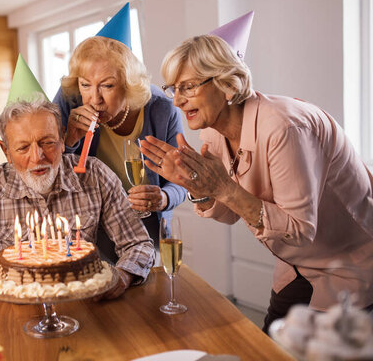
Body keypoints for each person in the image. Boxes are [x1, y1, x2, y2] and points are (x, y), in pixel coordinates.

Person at [140, 33, 373, 334]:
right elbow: (229, 212)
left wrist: (223, 187)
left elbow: (301, 230)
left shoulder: (283, 128)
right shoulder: (213, 132)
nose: (177, 99)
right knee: (267, 350)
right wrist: (198, 187)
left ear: (225, 83)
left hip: (351, 263)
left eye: (188, 86)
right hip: (296, 264)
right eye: (173, 88)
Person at [0, 100, 155, 300]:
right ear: (6, 151)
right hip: (16, 315)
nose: (37, 157)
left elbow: (138, 244)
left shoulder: (94, 176)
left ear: (62, 139)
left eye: (47, 142)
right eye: (23, 147)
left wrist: (123, 277)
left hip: (85, 308)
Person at [53, 34, 186, 261]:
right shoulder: (70, 103)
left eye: (107, 85)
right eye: (85, 85)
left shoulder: (161, 110)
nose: (95, 99)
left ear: (128, 86)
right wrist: (70, 142)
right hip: (88, 231)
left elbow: (181, 181)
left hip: (147, 231)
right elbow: (51, 174)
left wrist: (163, 197)